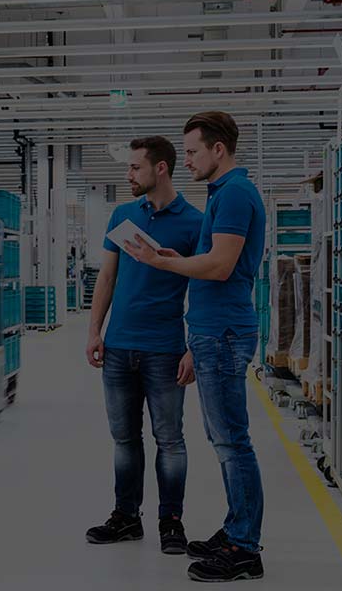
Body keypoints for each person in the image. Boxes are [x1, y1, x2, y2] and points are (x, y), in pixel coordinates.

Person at [120, 111, 268, 583]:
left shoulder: (236, 194)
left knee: (232, 443)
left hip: (222, 333)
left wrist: (163, 266)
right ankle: (235, 529)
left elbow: (222, 267)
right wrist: (175, 258)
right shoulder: (224, 193)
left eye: (191, 152)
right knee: (223, 439)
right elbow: (212, 259)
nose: (185, 161)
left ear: (217, 149)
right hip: (213, 330)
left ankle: (245, 548)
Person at [84, 136, 203, 554]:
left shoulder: (194, 222)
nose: (129, 175)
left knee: (169, 439)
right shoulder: (122, 215)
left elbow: (204, 289)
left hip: (165, 348)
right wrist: (95, 330)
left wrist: (192, 348)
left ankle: (171, 520)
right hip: (118, 347)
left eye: (135, 167)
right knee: (124, 439)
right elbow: (107, 278)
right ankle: (125, 517)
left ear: (161, 169)